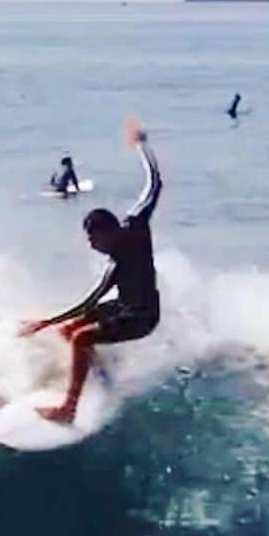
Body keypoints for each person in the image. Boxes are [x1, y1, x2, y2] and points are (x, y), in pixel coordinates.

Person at [20, 119, 162, 424]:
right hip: (124, 308)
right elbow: (89, 302)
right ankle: (102, 379)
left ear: (109, 231)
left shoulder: (136, 226)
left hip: (143, 316)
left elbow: (155, 183)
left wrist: (142, 145)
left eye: (93, 238)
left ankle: (68, 409)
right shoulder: (114, 263)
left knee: (80, 337)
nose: (92, 245)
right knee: (68, 331)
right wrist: (47, 323)